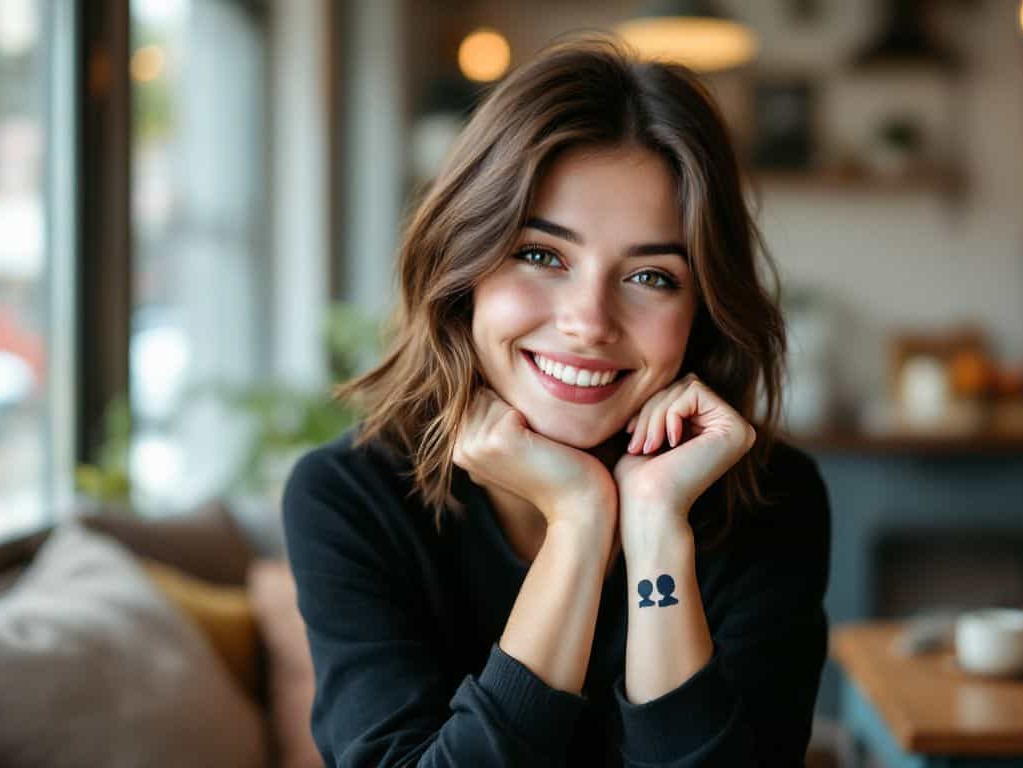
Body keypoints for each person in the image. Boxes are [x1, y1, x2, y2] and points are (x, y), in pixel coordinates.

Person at [282, 35, 831, 768]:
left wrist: (658, 528)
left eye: (652, 276)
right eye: (542, 255)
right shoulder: (352, 498)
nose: (589, 321)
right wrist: (580, 521)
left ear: (702, 309)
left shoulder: (770, 501)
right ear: (463, 266)